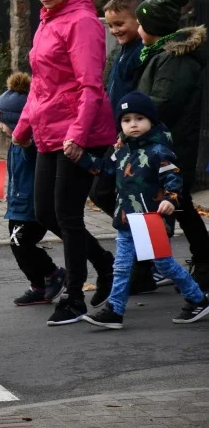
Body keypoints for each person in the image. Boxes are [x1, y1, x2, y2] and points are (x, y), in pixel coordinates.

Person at [12, 0, 116, 327]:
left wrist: (78, 134)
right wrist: (23, 127)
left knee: (68, 214)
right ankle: (104, 261)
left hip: (80, 131)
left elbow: (90, 85)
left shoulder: (83, 22)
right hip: (48, 130)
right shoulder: (48, 19)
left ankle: (74, 296)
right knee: (44, 212)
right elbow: (41, 84)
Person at [72, 92, 209, 329]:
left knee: (164, 265)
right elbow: (104, 170)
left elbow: (174, 178)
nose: (133, 124)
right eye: (126, 120)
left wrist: (170, 200)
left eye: (139, 118)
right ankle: (114, 311)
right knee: (122, 266)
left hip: (151, 220)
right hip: (126, 220)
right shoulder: (122, 151)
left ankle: (198, 299)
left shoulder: (159, 151)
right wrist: (81, 157)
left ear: (151, 121)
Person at [132, 0, 209, 290]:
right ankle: (151, 268)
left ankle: (202, 263)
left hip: (171, 146)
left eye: (140, 24)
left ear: (154, 28)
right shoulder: (160, 55)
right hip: (162, 144)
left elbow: (162, 102)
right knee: (172, 204)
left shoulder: (175, 61)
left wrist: (132, 119)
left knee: (178, 204)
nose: (137, 29)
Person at [91, 0, 162, 293]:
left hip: (131, 139)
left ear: (138, 21)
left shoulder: (139, 53)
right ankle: (150, 259)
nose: (115, 30)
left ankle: (149, 263)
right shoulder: (123, 50)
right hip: (118, 136)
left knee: (121, 198)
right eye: (110, 25)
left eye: (120, 23)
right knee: (117, 198)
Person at [0, 74, 66, 306]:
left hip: (31, 205)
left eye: (1, 121)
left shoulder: (29, 144)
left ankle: (50, 275)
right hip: (19, 203)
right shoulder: (16, 142)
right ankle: (39, 283)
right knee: (19, 245)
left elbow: (32, 160)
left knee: (21, 244)